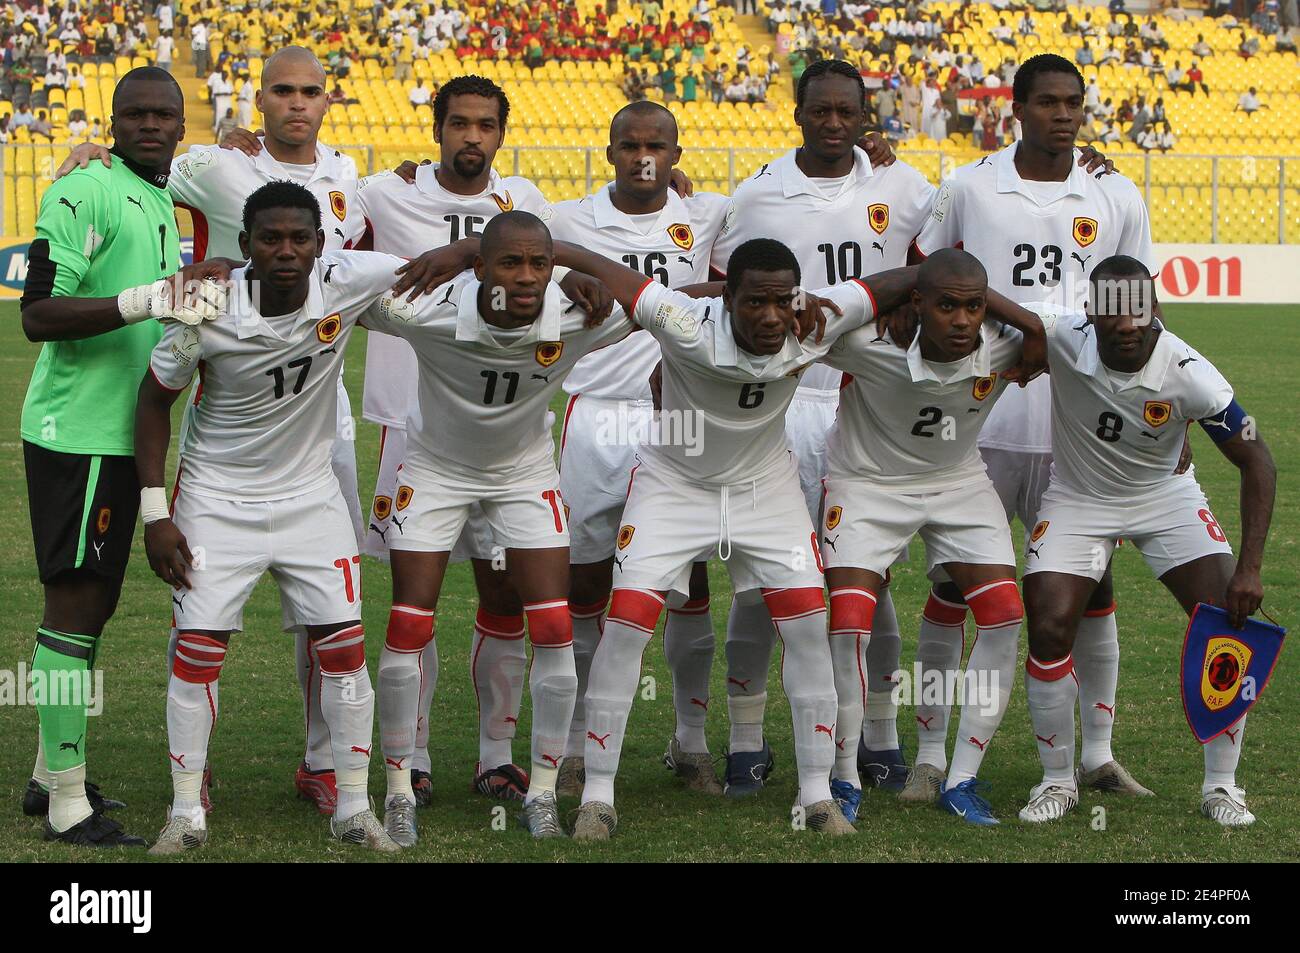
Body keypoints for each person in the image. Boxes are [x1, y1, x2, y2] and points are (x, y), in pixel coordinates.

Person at [57, 47, 375, 817]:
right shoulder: (216, 164)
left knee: (327, 607)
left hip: (322, 420)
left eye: (310, 91)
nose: (297, 103)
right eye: (283, 92)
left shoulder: (352, 179)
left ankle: (324, 762)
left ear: (327, 101)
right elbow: (148, 157)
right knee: (206, 611)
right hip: (232, 411)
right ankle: (189, 781)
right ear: (259, 100)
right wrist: (97, 151)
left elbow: (378, 262)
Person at [558, 238, 893, 839]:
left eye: (780, 302)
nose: (770, 317)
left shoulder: (813, 320)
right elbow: (604, 267)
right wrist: (532, 250)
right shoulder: (685, 321)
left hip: (766, 491)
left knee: (808, 625)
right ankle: (598, 794)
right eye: (752, 302)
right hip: (673, 485)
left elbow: (911, 278)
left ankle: (817, 793)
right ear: (725, 299)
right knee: (627, 621)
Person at [912, 53, 1154, 823]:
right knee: (953, 586)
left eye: (1074, 102)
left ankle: (1096, 754)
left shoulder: (1114, 192)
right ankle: (926, 756)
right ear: (1015, 108)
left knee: (1092, 589)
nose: (1063, 114)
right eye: (1047, 101)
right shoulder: (969, 185)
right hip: (978, 419)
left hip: (1076, 429)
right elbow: (923, 273)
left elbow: (1135, 311)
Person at [137, 182, 410, 855]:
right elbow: (151, 404)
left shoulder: (348, 284)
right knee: (198, 652)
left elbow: (454, 259)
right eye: (270, 239)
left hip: (311, 499)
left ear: (322, 246)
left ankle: (353, 805)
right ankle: (184, 810)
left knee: (345, 651)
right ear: (245, 246)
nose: (286, 251)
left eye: (300, 239)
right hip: (214, 500)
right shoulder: (207, 307)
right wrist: (155, 514)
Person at [359, 211, 633, 839]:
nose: (529, 277)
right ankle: (399, 786)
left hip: (524, 476)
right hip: (434, 471)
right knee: (409, 621)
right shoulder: (423, 311)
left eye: (540, 263)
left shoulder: (577, 317)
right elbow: (336, 284)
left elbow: (661, 298)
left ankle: (540, 791)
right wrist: (457, 251)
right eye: (510, 262)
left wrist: (572, 261)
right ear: (478, 269)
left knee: (556, 627)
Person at [707, 60, 934, 804]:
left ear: (867, 115)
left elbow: (940, 272)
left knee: (871, 581)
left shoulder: (906, 189)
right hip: (781, 405)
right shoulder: (758, 193)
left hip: (873, 405)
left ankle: (879, 734)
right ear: (798, 113)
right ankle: (746, 739)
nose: (835, 124)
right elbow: (718, 291)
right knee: (758, 579)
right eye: (821, 111)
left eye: (848, 112)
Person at [355, 75, 580, 819]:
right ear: (438, 128)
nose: (471, 137)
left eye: (485, 125)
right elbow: (314, 228)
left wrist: (466, 249)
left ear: (501, 133)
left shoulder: (523, 205)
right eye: (459, 123)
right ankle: (410, 759)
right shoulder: (384, 193)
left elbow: (573, 255)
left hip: (509, 436)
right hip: (411, 427)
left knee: (504, 595)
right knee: (411, 604)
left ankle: (496, 757)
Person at [18, 67, 228, 848]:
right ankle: (69, 802)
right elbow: (38, 312)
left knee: (94, 601)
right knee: (73, 603)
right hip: (79, 432)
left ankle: (49, 774)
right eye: (134, 113)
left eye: (163, 114)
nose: (150, 125)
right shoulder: (86, 190)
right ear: (111, 121)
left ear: (181, 125)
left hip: (118, 433)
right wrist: (152, 298)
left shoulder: (158, 194)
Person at [1018, 257, 1275, 828]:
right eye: (1114, 312)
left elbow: (1256, 458)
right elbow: (988, 302)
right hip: (1079, 501)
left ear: (1154, 309)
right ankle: (1057, 780)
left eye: (1139, 310)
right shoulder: (1061, 331)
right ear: (1091, 314)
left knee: (1227, 623)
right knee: (1049, 621)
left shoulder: (1191, 373)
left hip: (1166, 498)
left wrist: (1250, 568)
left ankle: (1222, 787)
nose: (1128, 323)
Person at [819, 249, 1047, 825]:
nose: (964, 320)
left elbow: (1111, 347)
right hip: (865, 486)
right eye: (947, 305)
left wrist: (1177, 427)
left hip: (957, 482)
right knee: (848, 625)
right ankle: (843, 775)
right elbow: (795, 314)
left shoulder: (1006, 343)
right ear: (916, 303)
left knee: (1003, 614)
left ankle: (960, 776)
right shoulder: (867, 341)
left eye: (974, 306)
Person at [546, 101, 732, 798]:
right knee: (585, 583)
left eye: (657, 144)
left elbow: (748, 277)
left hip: (677, 420)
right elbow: (514, 247)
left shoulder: (709, 215)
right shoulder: (567, 220)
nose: (644, 155)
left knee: (690, 583)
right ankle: (572, 744)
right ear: (611, 150)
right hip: (594, 415)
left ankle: (690, 741)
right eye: (631, 143)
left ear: (677, 153)